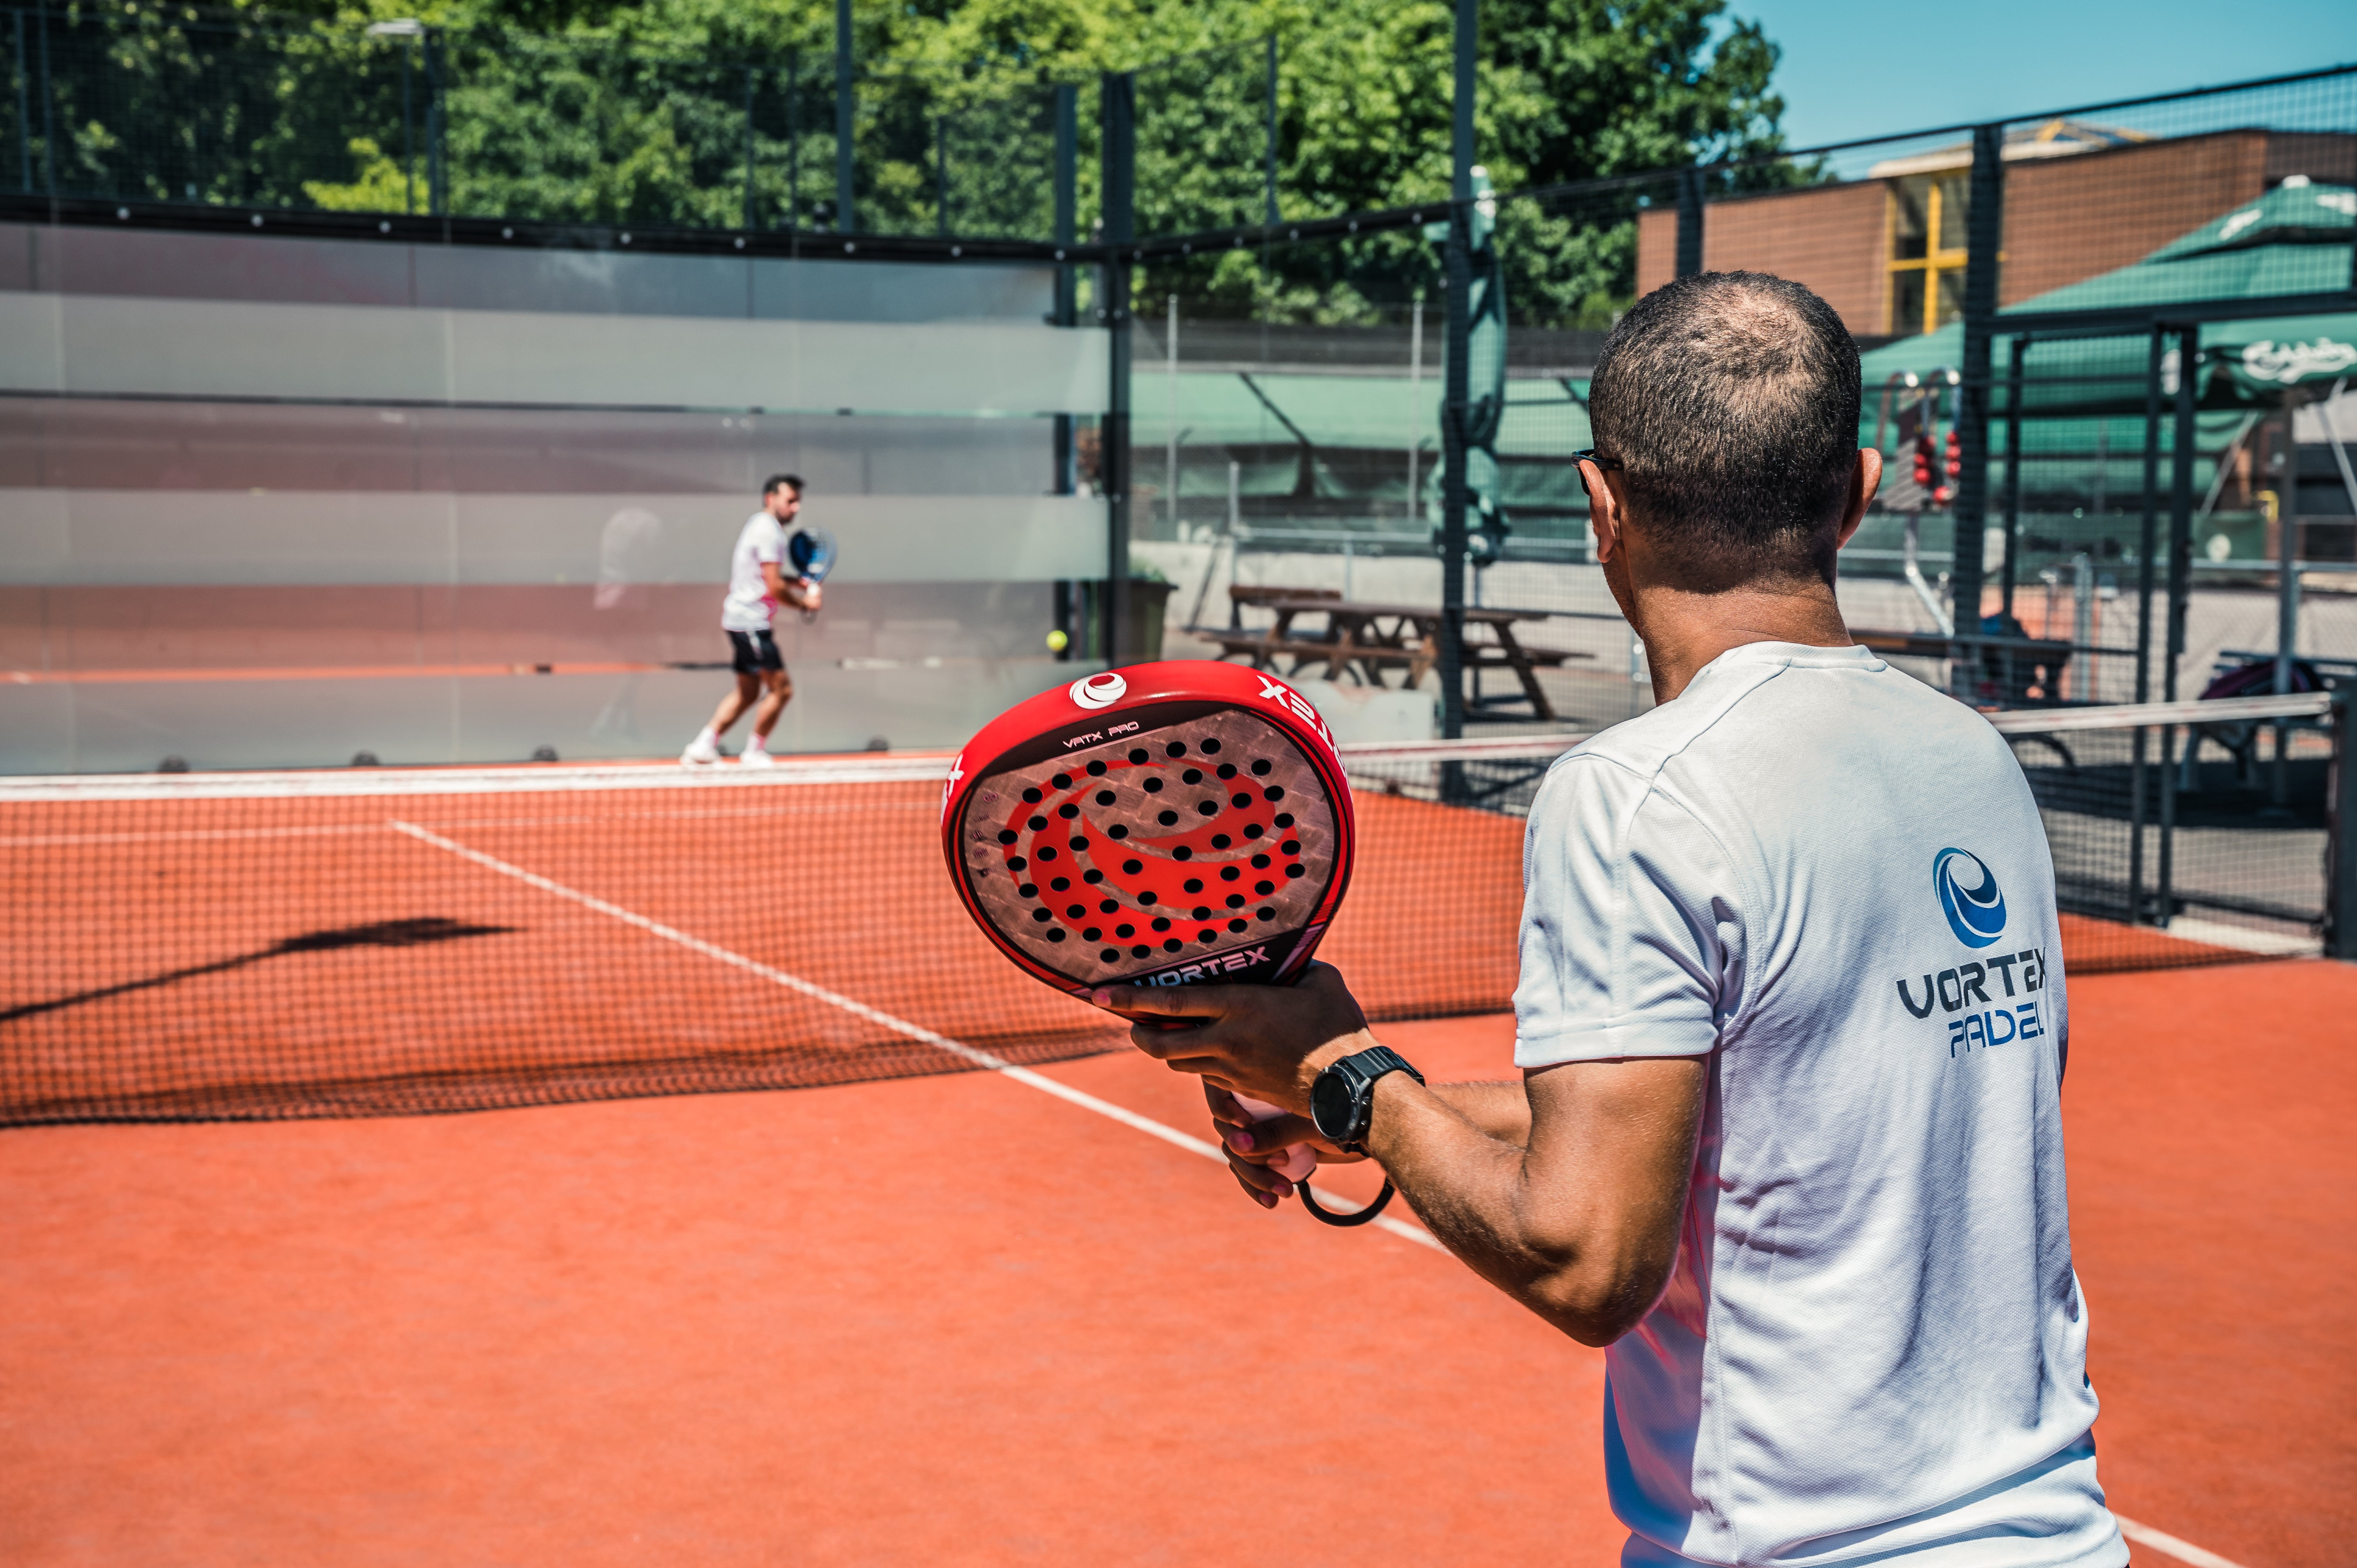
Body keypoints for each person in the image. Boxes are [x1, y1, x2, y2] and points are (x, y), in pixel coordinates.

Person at [1099, 273, 2125, 1568]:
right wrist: (1373, 1107)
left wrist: (1346, 1074)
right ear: (1859, 490)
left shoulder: (1634, 794)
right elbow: (1775, 1116)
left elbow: (1586, 1256)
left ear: (1598, 505)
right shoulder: (1970, 759)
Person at [682, 474, 821, 769]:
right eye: (790, 501)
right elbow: (774, 588)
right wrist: (805, 602)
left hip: (739, 619)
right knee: (782, 690)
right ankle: (754, 752)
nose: (796, 508)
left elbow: (765, 578)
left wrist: (799, 582)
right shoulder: (771, 533)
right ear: (771, 499)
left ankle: (702, 746)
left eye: (799, 502)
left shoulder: (759, 525)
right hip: (751, 623)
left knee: (748, 692)